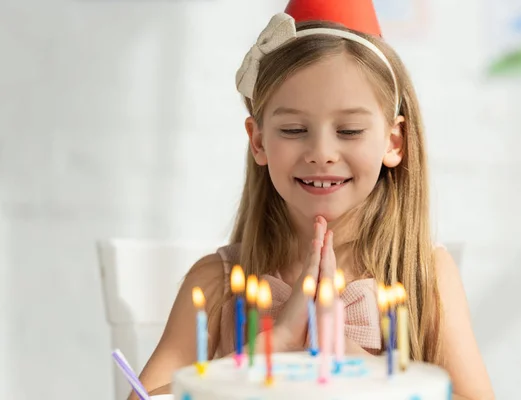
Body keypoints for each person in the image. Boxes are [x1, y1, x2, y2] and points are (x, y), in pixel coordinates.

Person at [133, 1, 494, 399]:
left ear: (394, 142)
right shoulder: (217, 281)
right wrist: (269, 350)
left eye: (350, 130)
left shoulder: (424, 275)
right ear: (258, 140)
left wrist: (349, 359)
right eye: (293, 129)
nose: (322, 152)